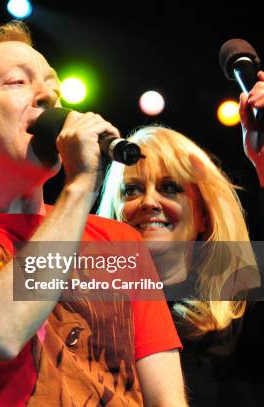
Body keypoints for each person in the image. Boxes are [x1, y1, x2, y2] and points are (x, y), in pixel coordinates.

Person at [0, 21, 185, 406]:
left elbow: (167, 399)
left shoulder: (119, 243)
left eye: (52, 87)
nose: (48, 97)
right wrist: (80, 186)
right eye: (16, 82)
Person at [94, 72, 264, 406]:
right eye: (132, 190)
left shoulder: (244, 307)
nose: (149, 202)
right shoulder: (86, 309)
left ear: (203, 213)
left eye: (170, 187)